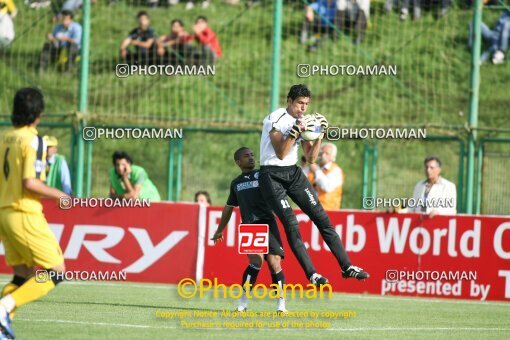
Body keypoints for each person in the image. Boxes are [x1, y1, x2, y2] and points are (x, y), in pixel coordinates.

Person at [258, 84, 369, 286]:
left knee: (321, 218)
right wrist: (295, 131)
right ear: (289, 101)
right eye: (300, 103)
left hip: (293, 172)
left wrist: (319, 134)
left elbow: (310, 158)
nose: (303, 108)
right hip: (271, 175)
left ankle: (347, 266)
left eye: (307, 104)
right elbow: (281, 152)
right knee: (292, 225)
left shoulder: (303, 121)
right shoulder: (275, 119)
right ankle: (312, 274)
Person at [0, 88, 70, 339]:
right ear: (38, 114)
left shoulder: (5, 138)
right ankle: (4, 308)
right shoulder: (34, 140)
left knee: (23, 275)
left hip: (3, 213)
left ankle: (1, 331)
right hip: (24, 212)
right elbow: (30, 182)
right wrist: (62, 196)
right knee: (57, 272)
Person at [211, 147, 287, 312]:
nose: (251, 158)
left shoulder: (263, 175)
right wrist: (219, 230)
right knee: (255, 262)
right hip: (250, 225)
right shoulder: (236, 183)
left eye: (252, 155)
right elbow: (228, 208)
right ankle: (242, 304)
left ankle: (281, 305)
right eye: (246, 156)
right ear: (238, 162)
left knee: (274, 263)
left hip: (268, 223)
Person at [303, 142, 344, 210]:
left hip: (330, 211)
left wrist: (316, 170)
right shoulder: (312, 168)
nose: (323, 155)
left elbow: (327, 187)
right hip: (311, 210)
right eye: (321, 153)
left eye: (326, 153)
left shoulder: (336, 171)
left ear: (333, 157)